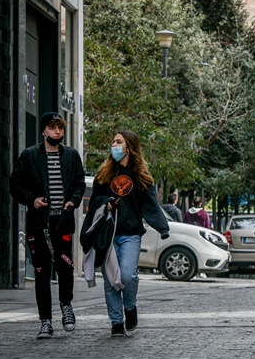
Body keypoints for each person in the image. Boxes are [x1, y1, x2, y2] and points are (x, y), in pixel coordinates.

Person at [9, 112, 86, 339]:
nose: (57, 132)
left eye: (60, 128)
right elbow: (15, 184)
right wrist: (32, 199)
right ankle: (45, 321)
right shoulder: (30, 155)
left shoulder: (71, 156)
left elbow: (79, 183)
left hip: (62, 221)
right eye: (53, 128)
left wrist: (73, 200)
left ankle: (66, 306)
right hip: (38, 223)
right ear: (44, 130)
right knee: (42, 272)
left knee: (65, 266)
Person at [92, 130, 170, 337]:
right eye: (113, 142)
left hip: (131, 234)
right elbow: (94, 204)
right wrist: (105, 205)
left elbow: (151, 204)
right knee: (110, 280)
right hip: (108, 235)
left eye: (119, 142)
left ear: (129, 147)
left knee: (128, 275)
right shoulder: (104, 175)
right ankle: (116, 322)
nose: (114, 145)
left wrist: (163, 228)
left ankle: (130, 307)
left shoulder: (141, 177)